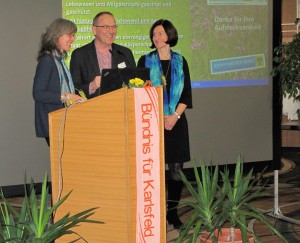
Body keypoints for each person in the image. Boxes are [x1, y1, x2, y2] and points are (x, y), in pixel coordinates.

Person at [137, 19, 193, 229]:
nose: (156, 38)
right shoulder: (145, 60)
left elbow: (186, 93)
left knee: (176, 170)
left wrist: (174, 117)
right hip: (151, 122)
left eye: (160, 34)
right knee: (153, 170)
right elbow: (140, 93)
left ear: (169, 35)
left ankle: (172, 212)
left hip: (176, 122)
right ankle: (155, 212)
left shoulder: (180, 61)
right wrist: (157, 117)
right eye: (154, 35)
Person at [33, 18, 83, 146]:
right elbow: (38, 93)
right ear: (56, 36)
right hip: (54, 122)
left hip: (63, 121)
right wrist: (67, 96)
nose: (73, 39)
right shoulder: (47, 61)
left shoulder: (59, 61)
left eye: (74, 35)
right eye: (70, 35)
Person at [70, 11, 136, 98]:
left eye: (114, 27)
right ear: (94, 30)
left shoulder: (125, 53)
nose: (111, 31)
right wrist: (92, 86)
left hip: (121, 107)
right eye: (106, 27)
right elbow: (72, 88)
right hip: (92, 109)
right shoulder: (80, 55)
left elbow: (136, 82)